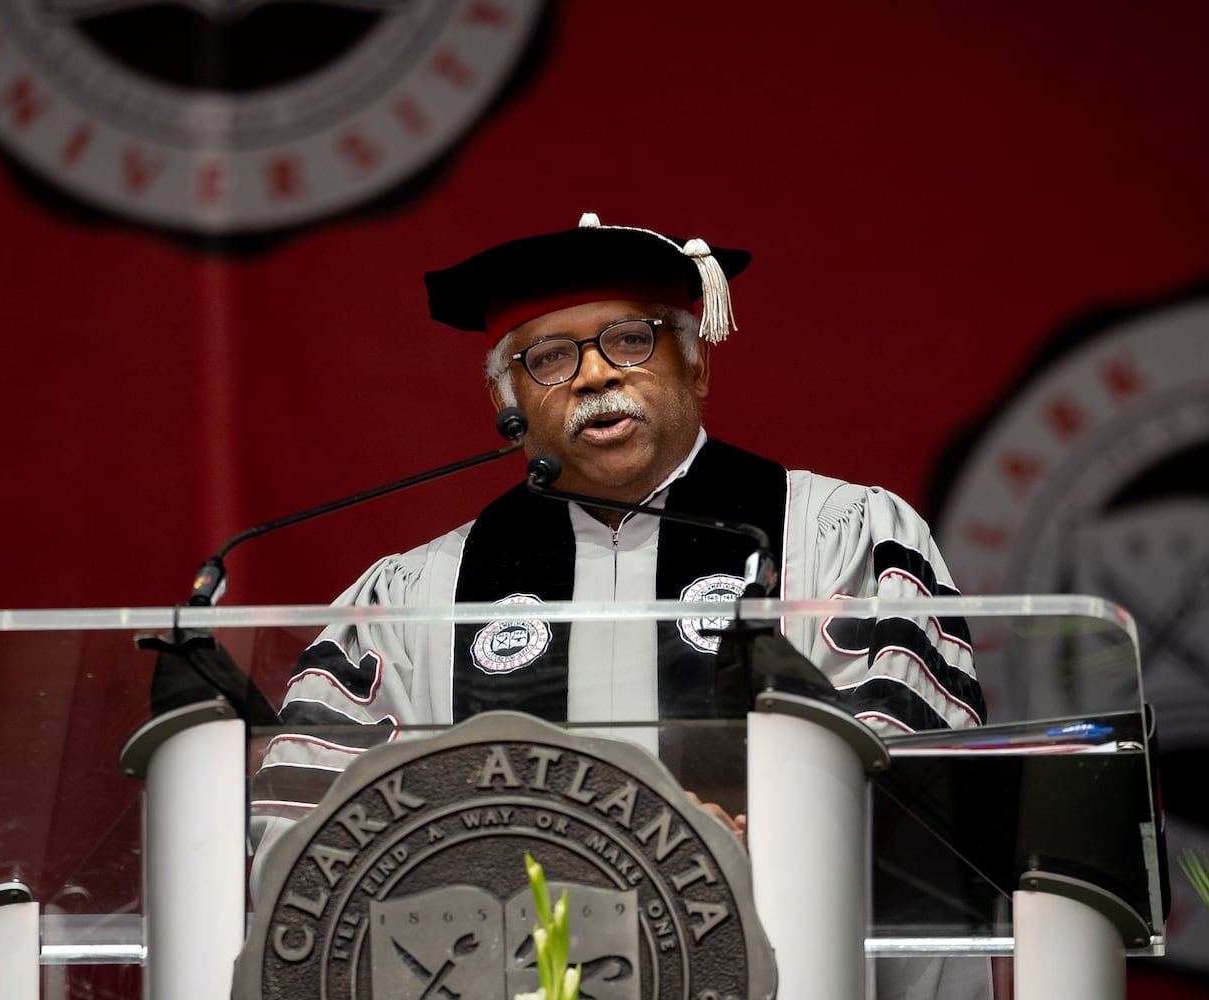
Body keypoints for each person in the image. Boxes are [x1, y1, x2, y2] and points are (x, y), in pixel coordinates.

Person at [246, 213, 990, 997]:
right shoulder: (420, 595)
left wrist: (739, 851)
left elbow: (911, 767)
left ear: (696, 366)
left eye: (630, 340)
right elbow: (311, 834)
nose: (596, 376)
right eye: (551, 358)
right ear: (506, 404)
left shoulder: (837, 535)